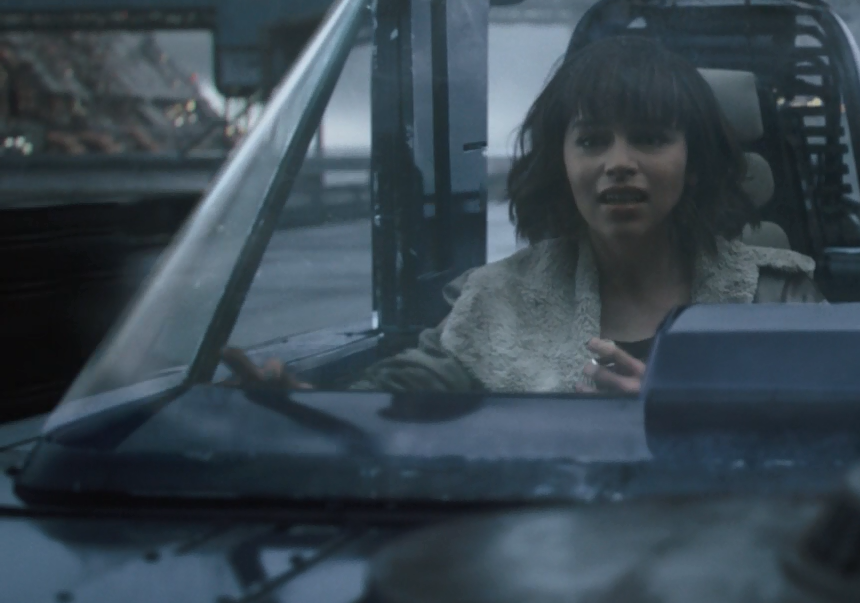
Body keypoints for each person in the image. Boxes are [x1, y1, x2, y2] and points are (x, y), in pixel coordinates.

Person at [228, 35, 822, 394]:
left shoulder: (777, 296)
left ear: (694, 165)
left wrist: (685, 410)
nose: (619, 163)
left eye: (649, 139)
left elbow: (843, 424)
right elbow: (405, 391)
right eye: (591, 141)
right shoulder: (499, 299)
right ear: (561, 164)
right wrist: (310, 403)